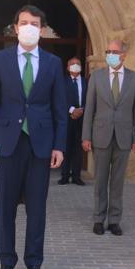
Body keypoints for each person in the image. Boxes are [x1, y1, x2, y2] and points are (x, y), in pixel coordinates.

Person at [0, 5, 66, 269]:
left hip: (40, 145)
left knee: (37, 208)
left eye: (34, 23)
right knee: (5, 207)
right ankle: (6, 261)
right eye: (24, 22)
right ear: (15, 28)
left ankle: (34, 262)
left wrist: (59, 146)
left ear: (42, 30)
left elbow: (59, 109)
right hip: (8, 144)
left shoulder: (53, 64)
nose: (29, 27)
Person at [81, 40, 135, 236]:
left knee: (117, 181)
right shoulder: (96, 77)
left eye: (114, 51)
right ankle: (98, 218)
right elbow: (89, 108)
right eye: (108, 51)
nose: (111, 54)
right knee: (100, 180)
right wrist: (86, 136)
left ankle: (114, 220)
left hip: (124, 137)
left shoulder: (134, 78)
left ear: (124, 55)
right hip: (100, 135)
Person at [58, 57, 87, 186]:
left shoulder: (87, 82)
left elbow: (91, 99)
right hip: (67, 119)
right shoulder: (62, 82)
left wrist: (82, 110)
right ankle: (64, 175)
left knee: (78, 149)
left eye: (78, 64)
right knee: (66, 148)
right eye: (72, 64)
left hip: (82, 119)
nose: (75, 66)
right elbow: (59, 99)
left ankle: (76, 176)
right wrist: (72, 110)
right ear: (68, 67)